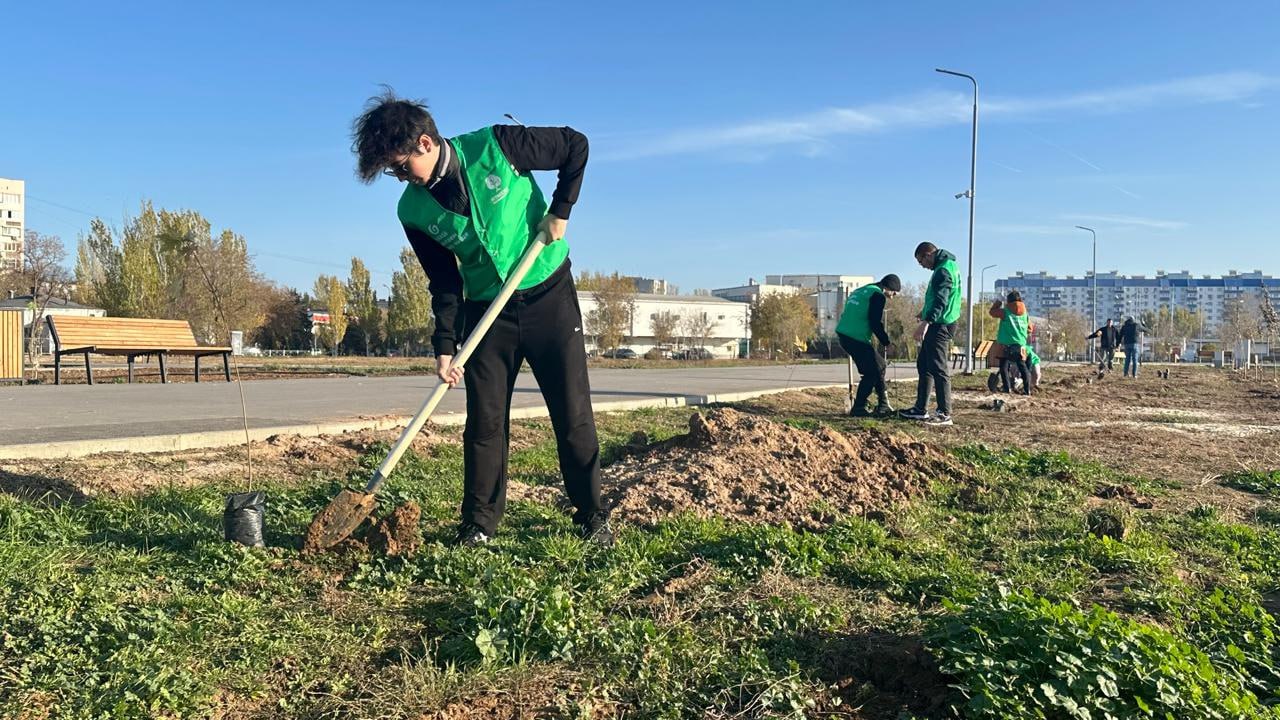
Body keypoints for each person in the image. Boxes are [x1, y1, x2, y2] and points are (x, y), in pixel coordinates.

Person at [352, 90, 610, 548]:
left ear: (425, 144)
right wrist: (445, 346)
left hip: (549, 293)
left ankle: (591, 516)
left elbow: (576, 145)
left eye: (399, 167)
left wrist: (561, 211)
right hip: (488, 312)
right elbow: (444, 281)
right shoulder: (411, 210)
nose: (400, 178)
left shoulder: (497, 145)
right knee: (485, 422)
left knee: (571, 414)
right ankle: (479, 525)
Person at [900, 242, 962, 426]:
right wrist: (924, 311)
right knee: (925, 365)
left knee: (938, 367)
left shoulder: (943, 270)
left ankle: (944, 413)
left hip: (941, 324)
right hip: (940, 320)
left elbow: (942, 300)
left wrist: (926, 322)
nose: (922, 266)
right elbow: (939, 297)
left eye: (921, 261)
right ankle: (920, 409)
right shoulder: (949, 265)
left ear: (928, 254)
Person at [835, 274, 901, 417]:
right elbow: (875, 322)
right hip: (855, 337)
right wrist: (887, 343)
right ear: (888, 287)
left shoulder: (861, 290)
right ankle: (859, 408)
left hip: (844, 334)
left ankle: (883, 403)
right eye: (894, 292)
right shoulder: (878, 295)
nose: (894, 295)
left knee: (879, 365)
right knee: (872, 372)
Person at [990, 291, 1032, 395]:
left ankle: (1007, 388)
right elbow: (1030, 329)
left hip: (1005, 345)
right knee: (1022, 367)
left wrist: (999, 301)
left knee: (1004, 366)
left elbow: (992, 312)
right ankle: (1027, 390)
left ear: (1008, 301)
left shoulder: (1005, 312)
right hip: (1020, 345)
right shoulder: (1025, 314)